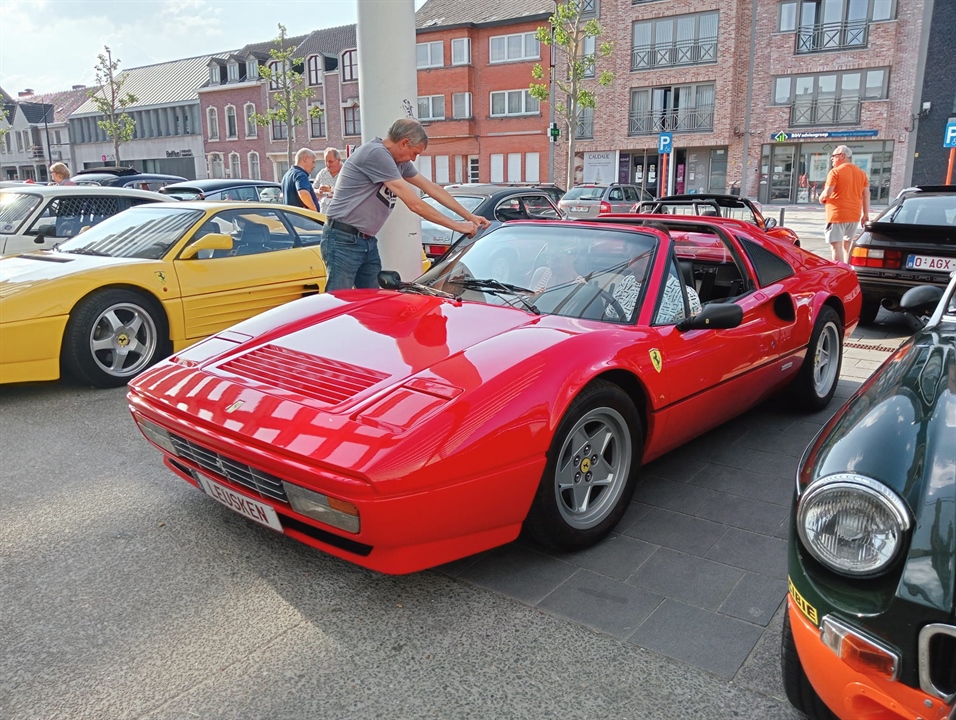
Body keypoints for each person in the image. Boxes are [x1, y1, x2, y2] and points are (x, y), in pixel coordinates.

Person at [321, 118, 490, 291]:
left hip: (366, 239)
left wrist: (469, 216)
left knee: (372, 300)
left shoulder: (399, 162)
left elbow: (431, 188)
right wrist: (457, 226)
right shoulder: (376, 154)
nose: (413, 159)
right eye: (414, 153)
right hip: (343, 238)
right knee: (338, 299)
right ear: (404, 143)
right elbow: (415, 204)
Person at [819, 144, 869, 262]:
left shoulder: (835, 172)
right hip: (854, 215)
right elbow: (866, 194)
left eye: (834, 156)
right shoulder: (862, 173)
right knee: (848, 245)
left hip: (837, 215)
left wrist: (821, 198)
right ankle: (848, 268)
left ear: (842, 156)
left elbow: (827, 193)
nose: (832, 158)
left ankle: (840, 271)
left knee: (836, 246)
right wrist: (865, 214)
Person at [312, 147, 343, 214]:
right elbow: (312, 189)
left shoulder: (347, 172)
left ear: (339, 160)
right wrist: (319, 191)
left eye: (330, 161)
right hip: (324, 214)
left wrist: (332, 190)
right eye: (325, 161)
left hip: (341, 214)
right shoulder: (322, 173)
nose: (328, 164)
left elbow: (352, 192)